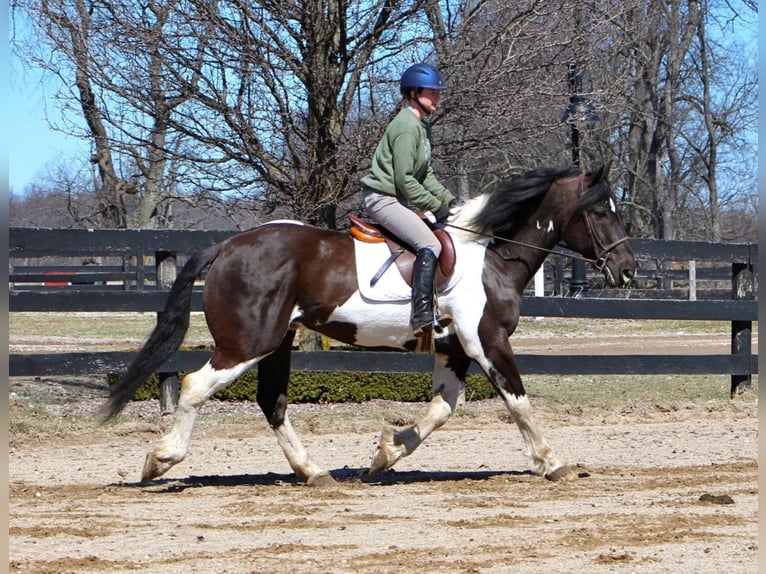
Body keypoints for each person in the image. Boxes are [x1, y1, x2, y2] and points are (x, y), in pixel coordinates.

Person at [361, 62, 459, 337]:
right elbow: (405, 180)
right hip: (382, 199)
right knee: (429, 242)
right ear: (414, 93)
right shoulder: (406, 127)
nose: (437, 96)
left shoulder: (421, 127)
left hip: (396, 199)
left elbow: (425, 174)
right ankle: (422, 315)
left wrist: (449, 202)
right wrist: (434, 206)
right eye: (432, 92)